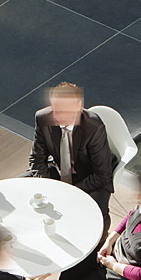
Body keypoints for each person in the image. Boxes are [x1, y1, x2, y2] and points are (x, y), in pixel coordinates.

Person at [28, 82, 117, 228]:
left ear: (78, 106)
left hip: (92, 176)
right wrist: (47, 186)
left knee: (97, 215)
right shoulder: (42, 118)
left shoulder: (94, 127)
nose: (59, 117)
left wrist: (69, 192)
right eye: (56, 111)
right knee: (25, 189)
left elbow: (102, 175)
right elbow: (36, 159)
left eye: (65, 112)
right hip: (60, 169)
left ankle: (100, 246)